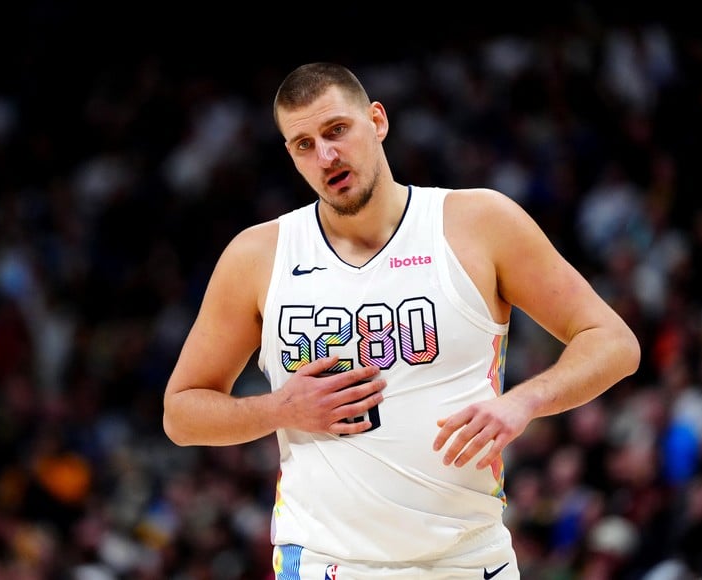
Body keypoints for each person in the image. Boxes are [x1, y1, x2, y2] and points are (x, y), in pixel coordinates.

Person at [163, 62, 641, 579]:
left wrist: (524, 401)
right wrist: (279, 408)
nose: (326, 155)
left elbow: (613, 341)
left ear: (377, 120)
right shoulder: (259, 254)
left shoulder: (477, 223)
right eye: (304, 144)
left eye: (336, 130)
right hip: (330, 560)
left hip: (470, 557)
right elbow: (181, 413)